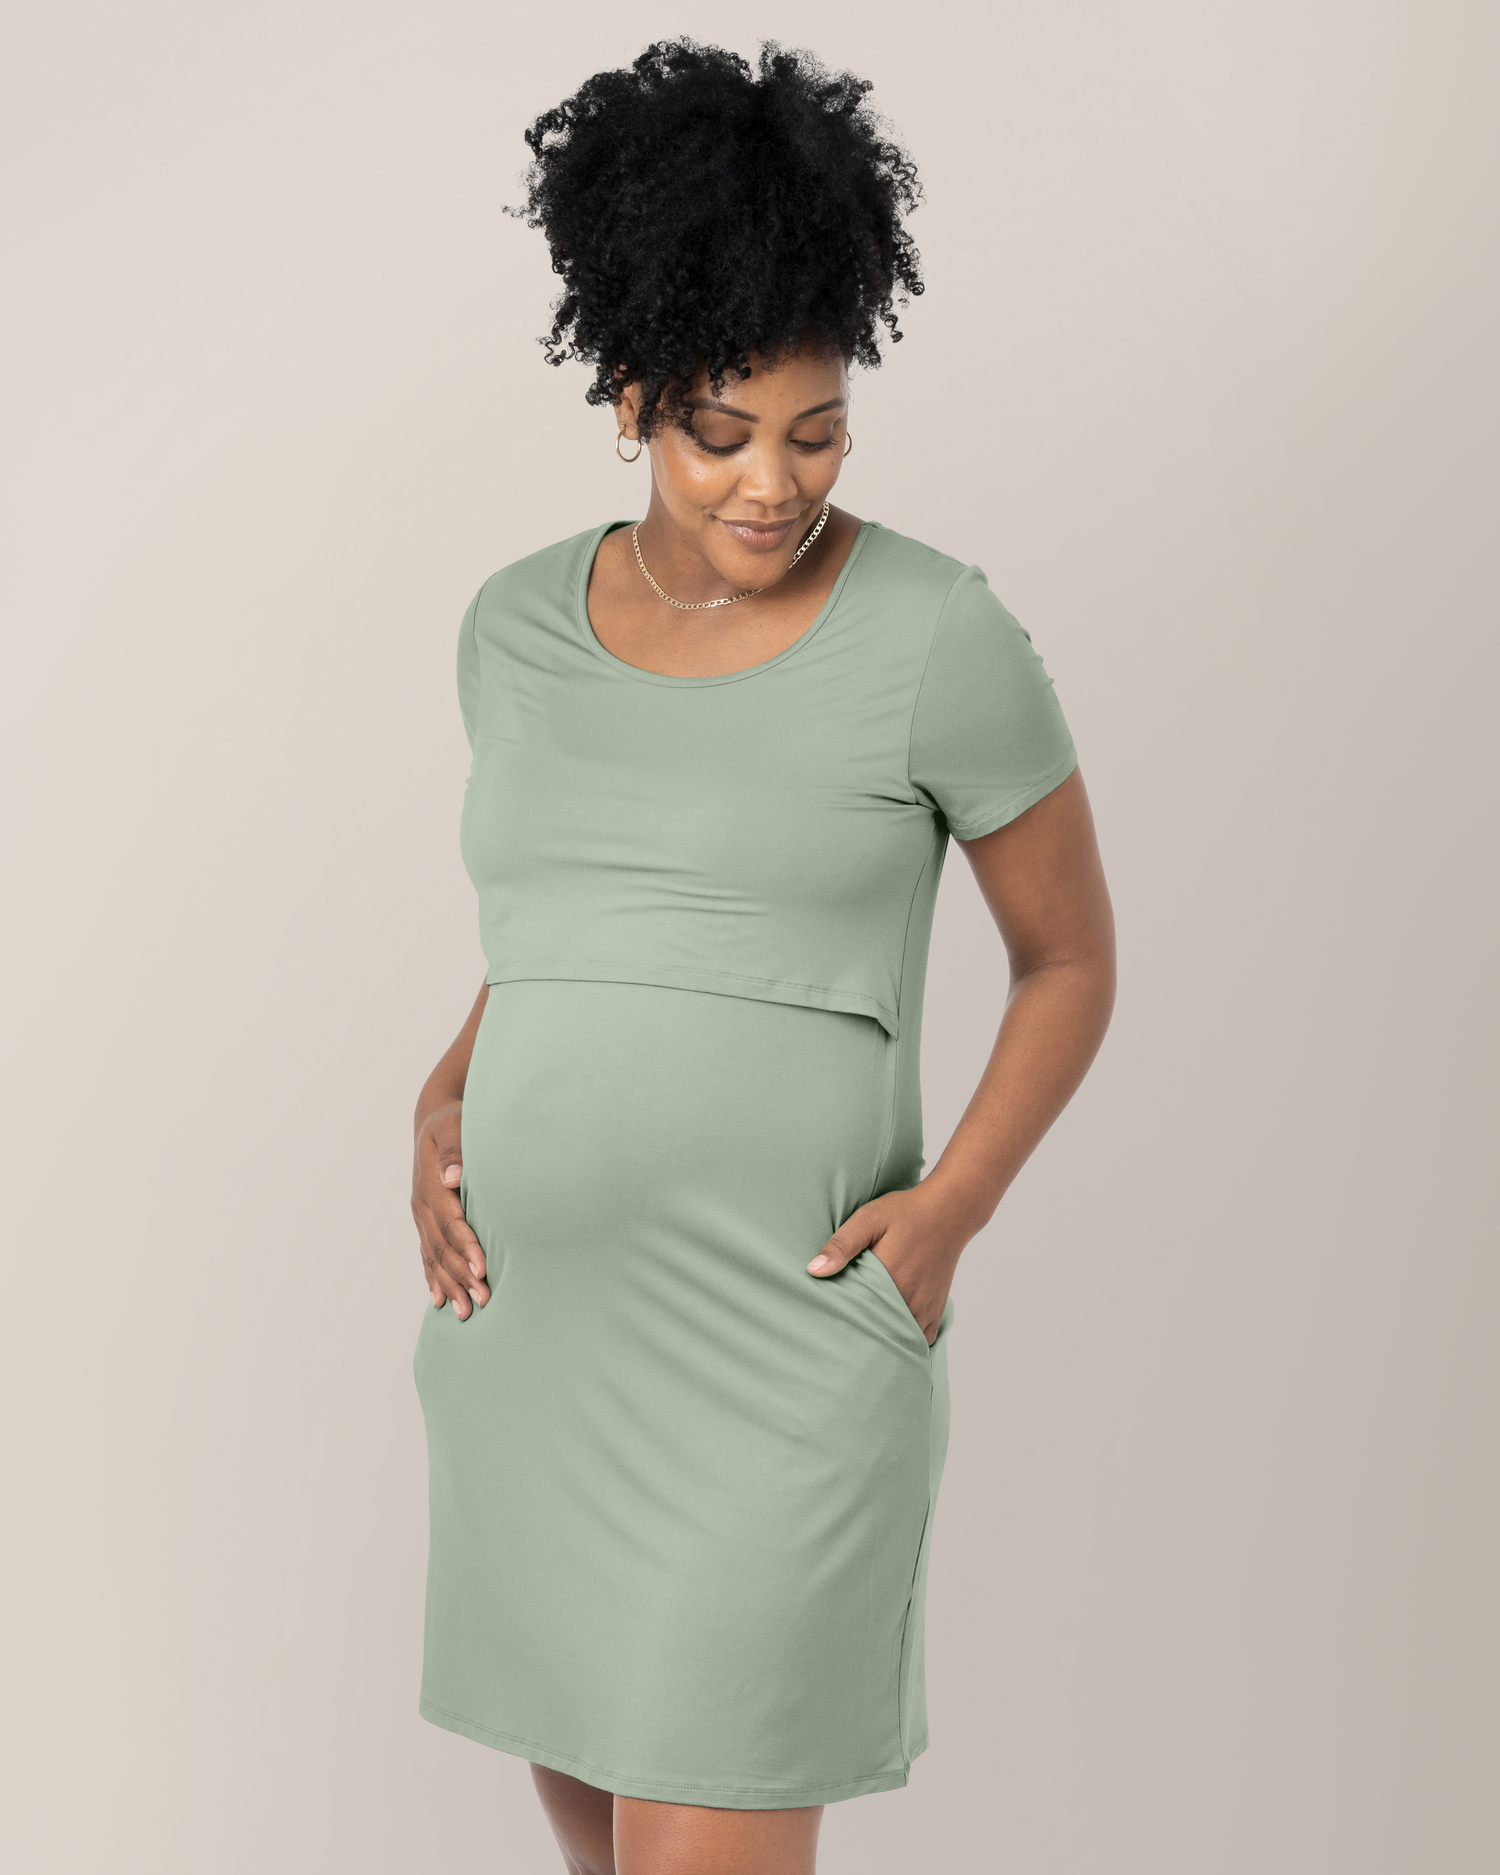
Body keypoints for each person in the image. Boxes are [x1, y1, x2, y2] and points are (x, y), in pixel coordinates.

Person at [409, 39, 1115, 1875]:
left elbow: (1068, 960)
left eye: (818, 430)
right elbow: (562, 923)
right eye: (722, 432)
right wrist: (448, 1088)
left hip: (785, 1349)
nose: (773, 483)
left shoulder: (938, 636)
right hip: (541, 1345)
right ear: (631, 391)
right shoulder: (512, 629)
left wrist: (949, 1214)